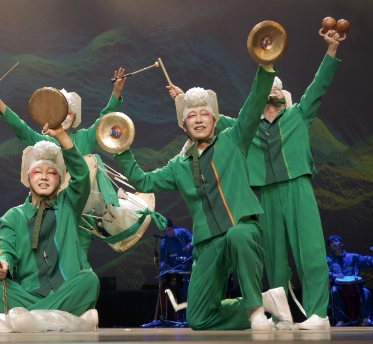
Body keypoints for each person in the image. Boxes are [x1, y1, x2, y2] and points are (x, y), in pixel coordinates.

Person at [167, 29, 343, 330]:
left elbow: (319, 85)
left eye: (276, 88)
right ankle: (280, 314)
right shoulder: (245, 127)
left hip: (297, 186)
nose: (271, 92)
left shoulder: (298, 114)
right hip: (264, 194)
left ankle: (319, 313)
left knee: (310, 251)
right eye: (267, 89)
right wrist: (183, 99)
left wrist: (332, 50)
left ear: (283, 93)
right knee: (273, 258)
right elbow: (204, 120)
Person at [114, 64, 293, 331]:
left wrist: (265, 66)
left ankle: (256, 311)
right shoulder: (178, 165)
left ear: (214, 119)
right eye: (191, 116)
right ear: (183, 124)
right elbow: (143, 181)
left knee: (238, 235)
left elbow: (255, 103)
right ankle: (265, 301)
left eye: (204, 114)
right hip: (207, 244)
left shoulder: (233, 139)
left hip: (242, 228)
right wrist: (120, 148)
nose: (198, 120)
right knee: (198, 319)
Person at [0, 68, 127, 265]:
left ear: (74, 116)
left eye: (68, 112)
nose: (63, 117)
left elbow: (104, 121)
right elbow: (21, 128)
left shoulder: (84, 138)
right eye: (59, 112)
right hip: (50, 212)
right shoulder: (44, 142)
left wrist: (116, 92)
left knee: (78, 263)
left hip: (80, 214)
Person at [0, 124, 99, 327]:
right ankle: (63, 319)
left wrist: (62, 136)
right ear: (28, 178)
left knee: (89, 280)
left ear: (60, 179)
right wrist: (2, 264)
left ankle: (31, 320)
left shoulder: (68, 204)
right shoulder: (13, 216)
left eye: (51, 172)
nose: (44, 177)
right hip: (29, 295)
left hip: (66, 291)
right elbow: (5, 249)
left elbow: (81, 175)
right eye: (37, 172)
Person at [327, 235, 373, 325]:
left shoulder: (353, 257)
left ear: (341, 243)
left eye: (336, 241)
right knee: (333, 292)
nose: (334, 243)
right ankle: (340, 319)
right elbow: (324, 273)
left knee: (366, 292)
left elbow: (367, 261)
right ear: (330, 246)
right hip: (339, 287)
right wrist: (333, 275)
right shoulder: (328, 260)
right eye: (331, 242)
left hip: (355, 286)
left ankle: (365, 318)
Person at [159, 218, 193, 321]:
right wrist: (162, 267)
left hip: (191, 269)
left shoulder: (183, 233)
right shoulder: (164, 242)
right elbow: (163, 260)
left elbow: (194, 240)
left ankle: (192, 317)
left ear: (172, 227)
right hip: (178, 273)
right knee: (180, 294)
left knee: (191, 293)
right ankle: (183, 318)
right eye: (165, 231)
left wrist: (189, 245)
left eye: (169, 230)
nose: (167, 233)